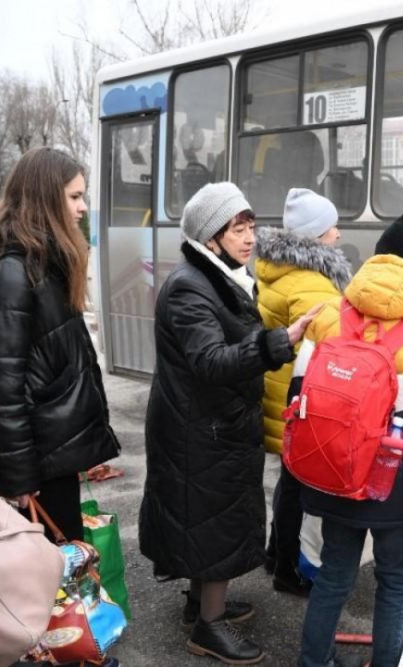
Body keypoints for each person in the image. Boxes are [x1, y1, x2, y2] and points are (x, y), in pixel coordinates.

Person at [139, 182, 319, 665]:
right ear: (210, 236)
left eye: (251, 226)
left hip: (211, 423)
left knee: (209, 519)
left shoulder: (219, 277)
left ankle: (202, 604)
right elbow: (211, 361)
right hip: (199, 428)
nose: (249, 238)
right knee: (214, 520)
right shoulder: (189, 288)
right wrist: (276, 342)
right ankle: (208, 627)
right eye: (237, 228)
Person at [294, 212, 403, 667]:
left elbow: (299, 398)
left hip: (332, 473)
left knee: (333, 576)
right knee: (394, 583)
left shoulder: (331, 314)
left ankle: (314, 662)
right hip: (395, 489)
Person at [0, 147, 120, 543]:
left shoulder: (44, 261)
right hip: (38, 463)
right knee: (54, 577)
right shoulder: (11, 272)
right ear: (45, 197)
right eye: (74, 196)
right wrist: (18, 479)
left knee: (66, 567)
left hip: (53, 450)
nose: (83, 207)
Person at [257, 187, 352, 597]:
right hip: (298, 400)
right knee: (297, 486)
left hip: (278, 389)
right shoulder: (313, 283)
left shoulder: (276, 268)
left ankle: (273, 551)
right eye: (332, 228)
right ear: (315, 237)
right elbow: (330, 344)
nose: (338, 234)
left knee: (287, 480)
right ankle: (286, 568)